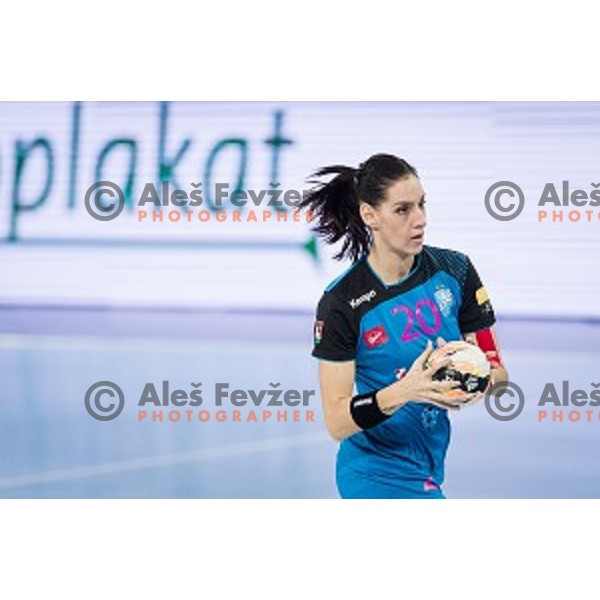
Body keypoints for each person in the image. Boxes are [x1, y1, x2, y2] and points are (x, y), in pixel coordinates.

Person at [300, 153, 509, 499]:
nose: (420, 220)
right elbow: (336, 422)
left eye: (422, 205)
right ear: (370, 215)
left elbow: (499, 373)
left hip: (427, 466)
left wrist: (470, 377)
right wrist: (407, 390)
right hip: (372, 471)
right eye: (403, 209)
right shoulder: (342, 302)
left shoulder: (456, 271)